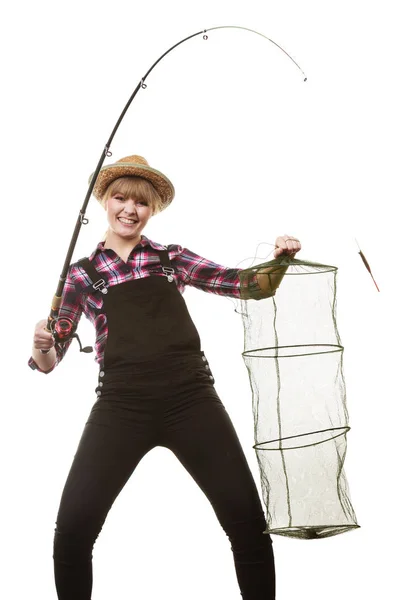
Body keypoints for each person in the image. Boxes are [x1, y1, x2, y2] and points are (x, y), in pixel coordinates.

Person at [29, 155, 301, 600]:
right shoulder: (83, 274)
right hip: (121, 405)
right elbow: (50, 357)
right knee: (73, 530)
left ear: (151, 208)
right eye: (120, 198)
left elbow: (248, 285)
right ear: (106, 201)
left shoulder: (170, 258)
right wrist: (42, 343)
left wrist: (281, 259)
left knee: (248, 523)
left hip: (190, 399)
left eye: (141, 202)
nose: (129, 210)